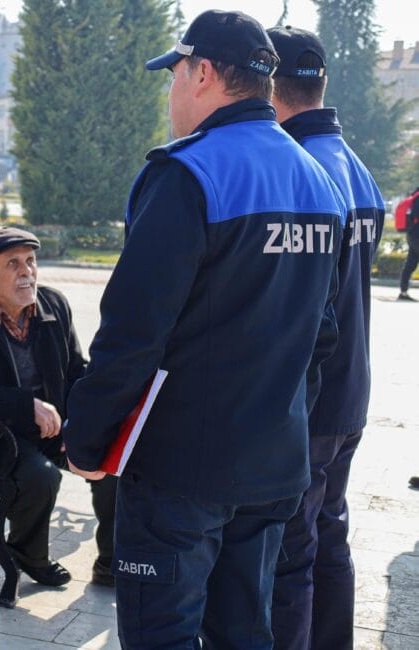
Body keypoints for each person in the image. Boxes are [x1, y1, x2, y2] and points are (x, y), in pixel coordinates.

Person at [59, 10, 347, 648]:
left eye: (174, 75)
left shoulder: (187, 172)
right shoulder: (319, 182)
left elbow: (133, 333)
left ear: (205, 73)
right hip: (273, 465)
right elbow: (323, 336)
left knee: (163, 634)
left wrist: (87, 439)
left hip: (181, 471)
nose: (170, 93)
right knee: (245, 635)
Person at [266, 26, 386, 650]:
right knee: (327, 536)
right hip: (351, 393)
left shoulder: (304, 167)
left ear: (267, 85)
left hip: (311, 402)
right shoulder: (353, 162)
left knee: (292, 554)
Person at [0, 228, 117, 587]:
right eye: (13, 263)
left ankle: (111, 561)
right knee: (41, 475)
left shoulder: (54, 305)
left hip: (51, 427)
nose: (26, 271)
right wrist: (23, 406)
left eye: (30, 261)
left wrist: (81, 421)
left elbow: (75, 370)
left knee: (110, 459)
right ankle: (27, 553)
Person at [399, 187, 419, 301]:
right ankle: (403, 291)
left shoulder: (414, 196)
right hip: (417, 234)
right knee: (410, 264)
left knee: (411, 263)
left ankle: (403, 291)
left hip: (413, 234)